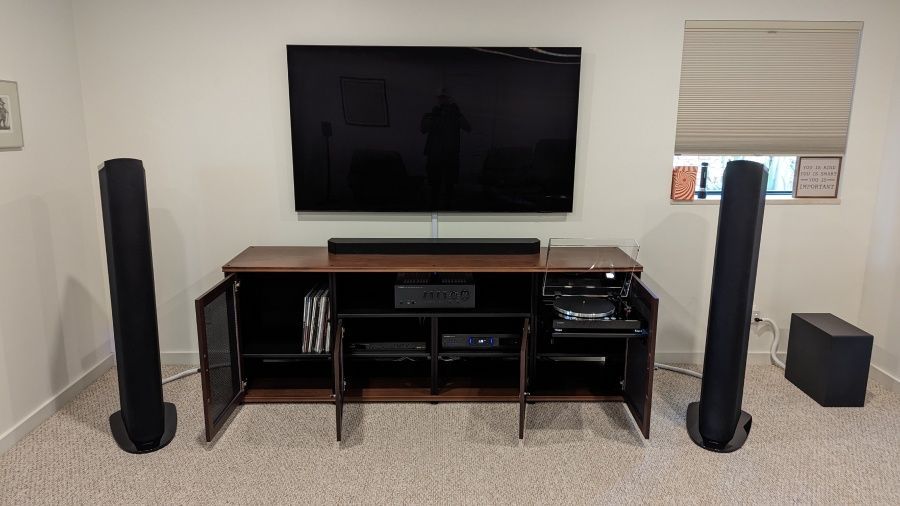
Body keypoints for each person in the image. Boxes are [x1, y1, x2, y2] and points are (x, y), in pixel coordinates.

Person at [420, 88, 470, 206]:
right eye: (441, 98)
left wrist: (456, 114)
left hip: (450, 155)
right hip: (435, 155)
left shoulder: (455, 114)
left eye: (445, 98)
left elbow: (467, 127)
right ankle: (435, 205)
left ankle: (447, 206)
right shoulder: (432, 114)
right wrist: (434, 116)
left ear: (449, 100)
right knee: (434, 184)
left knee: (449, 184)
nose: (443, 101)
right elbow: (423, 129)